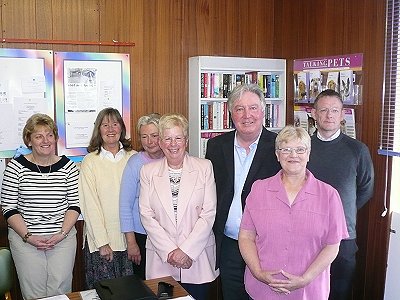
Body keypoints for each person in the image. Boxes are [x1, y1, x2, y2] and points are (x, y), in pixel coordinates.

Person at [239, 125, 349, 299]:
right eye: (286, 149)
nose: (293, 155)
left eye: (300, 149)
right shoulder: (259, 189)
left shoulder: (329, 195)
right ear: (277, 155)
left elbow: (332, 245)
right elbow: (246, 237)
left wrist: (306, 279)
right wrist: (258, 273)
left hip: (309, 290)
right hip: (263, 289)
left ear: (308, 154)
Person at [205, 83, 281, 299]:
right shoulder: (216, 147)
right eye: (239, 109)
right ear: (231, 114)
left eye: (253, 108)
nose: (247, 115)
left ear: (263, 111)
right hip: (229, 244)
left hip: (265, 247)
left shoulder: (279, 147)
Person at [139, 113, 219, 300]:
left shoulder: (204, 167)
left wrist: (186, 251)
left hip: (196, 258)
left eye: (178, 138)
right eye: (167, 138)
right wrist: (170, 252)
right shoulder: (148, 172)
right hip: (161, 259)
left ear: (186, 140)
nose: (173, 144)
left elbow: (209, 213)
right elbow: (146, 214)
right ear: (160, 142)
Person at [0, 113, 80, 299]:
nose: (46, 140)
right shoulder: (15, 167)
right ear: (29, 140)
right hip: (25, 241)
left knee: (60, 291)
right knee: (34, 294)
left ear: (55, 138)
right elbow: (9, 208)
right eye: (38, 136)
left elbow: (75, 205)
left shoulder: (69, 167)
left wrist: (61, 234)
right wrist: (28, 237)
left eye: (50, 135)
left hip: (62, 239)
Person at [308, 89, 374, 300]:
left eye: (335, 110)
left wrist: (341, 212)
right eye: (324, 110)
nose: (329, 116)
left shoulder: (357, 150)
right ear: (313, 114)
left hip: (343, 237)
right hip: (308, 234)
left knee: (339, 293)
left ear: (342, 114)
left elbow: (365, 189)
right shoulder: (302, 148)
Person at [79, 107, 136, 289]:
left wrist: (132, 241)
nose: (110, 129)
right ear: (99, 129)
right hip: (101, 244)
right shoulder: (90, 161)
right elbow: (90, 205)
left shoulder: (133, 158)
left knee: (129, 293)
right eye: (105, 125)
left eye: (115, 124)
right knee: (104, 293)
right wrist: (103, 243)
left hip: (130, 241)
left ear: (122, 128)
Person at [119, 113, 164, 279]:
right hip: (141, 236)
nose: (149, 141)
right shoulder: (135, 163)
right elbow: (125, 205)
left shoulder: (173, 159)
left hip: (168, 234)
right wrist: (131, 243)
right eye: (144, 136)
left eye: (154, 135)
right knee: (145, 284)